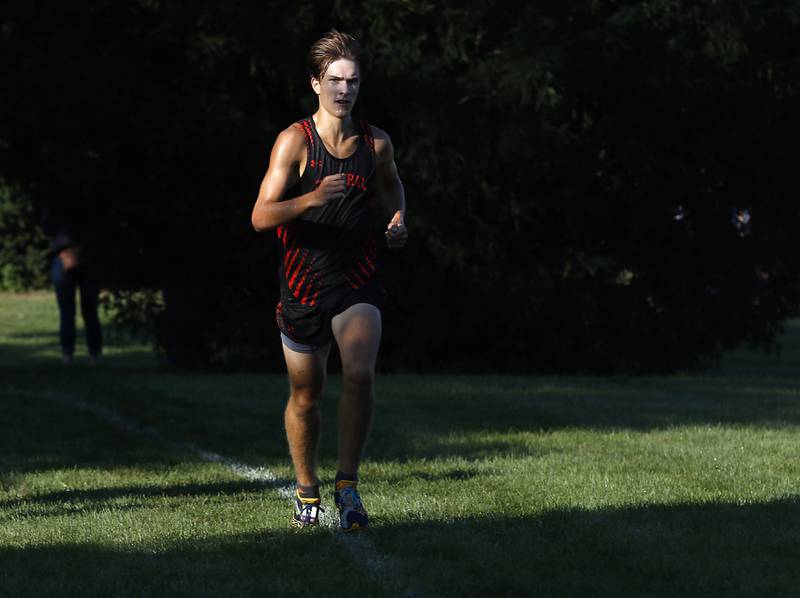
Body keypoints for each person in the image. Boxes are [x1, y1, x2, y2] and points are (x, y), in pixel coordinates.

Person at [250, 30, 407, 531]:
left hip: (356, 277)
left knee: (359, 373)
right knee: (306, 395)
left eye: (353, 80)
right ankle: (306, 491)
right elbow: (260, 216)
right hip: (302, 284)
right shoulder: (295, 141)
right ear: (316, 83)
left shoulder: (375, 142)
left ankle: (348, 486)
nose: (345, 89)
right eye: (335, 80)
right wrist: (310, 200)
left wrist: (398, 220)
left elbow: (392, 188)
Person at [42, 208, 103, 365]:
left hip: (69, 254)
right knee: (87, 310)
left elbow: (47, 227)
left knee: (69, 311)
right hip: (80, 254)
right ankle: (91, 355)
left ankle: (69, 354)